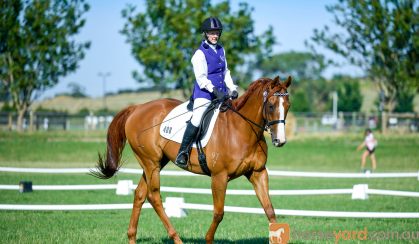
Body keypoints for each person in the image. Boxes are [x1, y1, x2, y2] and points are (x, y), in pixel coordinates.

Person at [175, 17, 239, 167]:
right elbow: (201, 78)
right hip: (204, 94)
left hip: (222, 94)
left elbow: (226, 72)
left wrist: (233, 88)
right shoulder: (199, 54)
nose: (215, 36)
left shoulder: (221, 49)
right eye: (211, 33)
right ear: (205, 34)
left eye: (217, 33)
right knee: (197, 118)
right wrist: (214, 90)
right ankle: (182, 152)